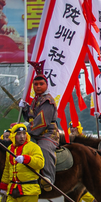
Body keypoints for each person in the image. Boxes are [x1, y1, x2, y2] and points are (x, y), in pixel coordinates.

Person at [20, 60, 58, 191]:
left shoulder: (48, 101)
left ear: (46, 85)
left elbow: (41, 123)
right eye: (35, 84)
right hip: (34, 132)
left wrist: (26, 129)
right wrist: (25, 109)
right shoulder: (35, 100)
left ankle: (48, 178)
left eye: (41, 84)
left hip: (48, 133)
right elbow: (31, 116)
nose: (38, 86)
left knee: (43, 149)